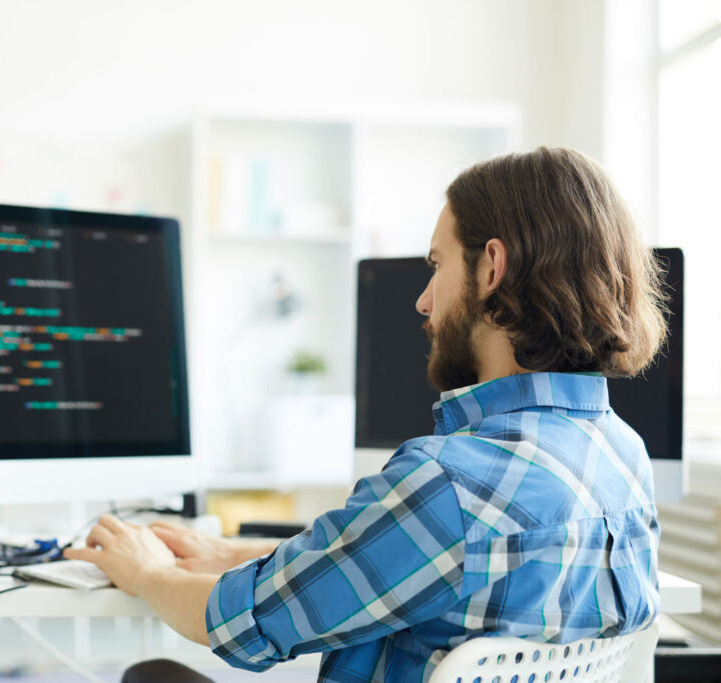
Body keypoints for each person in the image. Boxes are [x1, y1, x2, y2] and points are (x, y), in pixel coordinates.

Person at [64, 147, 668, 682]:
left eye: (437, 264)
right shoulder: (623, 457)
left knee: (152, 674)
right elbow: (417, 573)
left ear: (491, 266)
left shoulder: (448, 482)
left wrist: (147, 574)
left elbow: (241, 623)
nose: (424, 300)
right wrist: (236, 555)